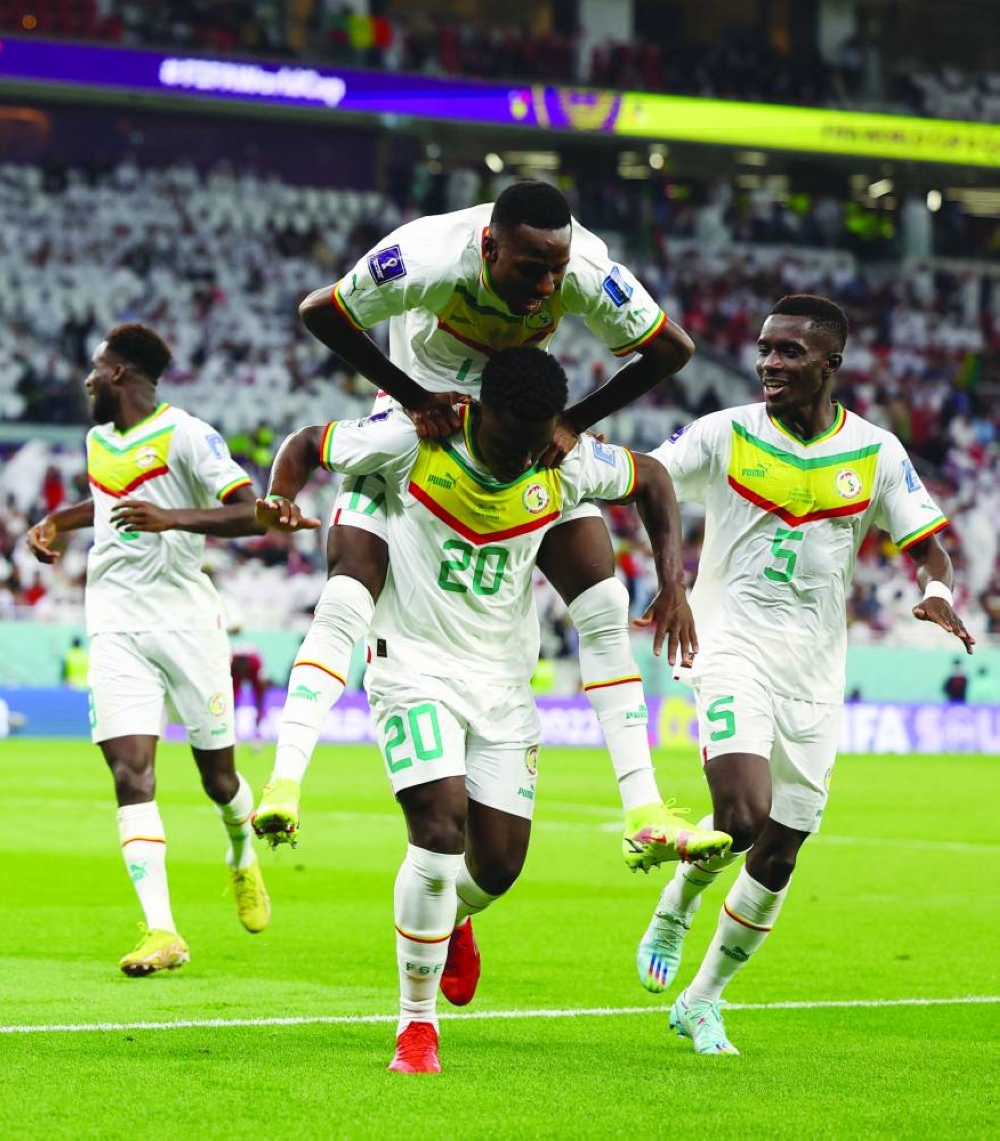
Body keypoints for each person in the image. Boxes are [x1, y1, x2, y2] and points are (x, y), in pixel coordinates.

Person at [255, 346, 731, 1074]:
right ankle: (417, 1027)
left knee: (500, 863)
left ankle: (450, 925)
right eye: (513, 440)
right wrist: (282, 493)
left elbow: (655, 479)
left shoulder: (560, 457)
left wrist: (675, 581)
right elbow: (306, 444)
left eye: (539, 440)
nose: (523, 458)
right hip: (412, 664)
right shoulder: (417, 438)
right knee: (439, 829)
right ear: (482, 412)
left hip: (504, 682)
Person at [255, 179, 703, 868]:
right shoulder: (426, 256)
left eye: (557, 270)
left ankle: (642, 809)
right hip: (417, 431)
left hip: (520, 432)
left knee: (605, 599)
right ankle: (285, 780)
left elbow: (673, 350)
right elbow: (321, 312)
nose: (548, 285)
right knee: (348, 594)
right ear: (489, 246)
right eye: (531, 270)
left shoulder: (582, 270)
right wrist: (412, 397)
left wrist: (573, 421)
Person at [635, 295, 975, 1056]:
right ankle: (677, 903)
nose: (769, 363)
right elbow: (649, 474)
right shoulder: (725, 432)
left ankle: (702, 999)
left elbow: (927, 543)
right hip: (731, 650)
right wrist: (673, 576)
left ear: (831, 363)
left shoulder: (878, 451)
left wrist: (936, 589)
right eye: (765, 348)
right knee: (742, 813)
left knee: (779, 851)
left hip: (816, 674)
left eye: (789, 352)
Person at [26, 324, 272, 977]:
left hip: (186, 622)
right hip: (115, 623)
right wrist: (57, 521)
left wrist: (173, 519)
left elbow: (254, 512)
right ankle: (163, 929)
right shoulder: (98, 440)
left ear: (121, 375)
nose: (86, 379)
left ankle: (241, 849)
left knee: (219, 779)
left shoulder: (187, 434)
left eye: (97, 368)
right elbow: (108, 501)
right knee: (130, 774)